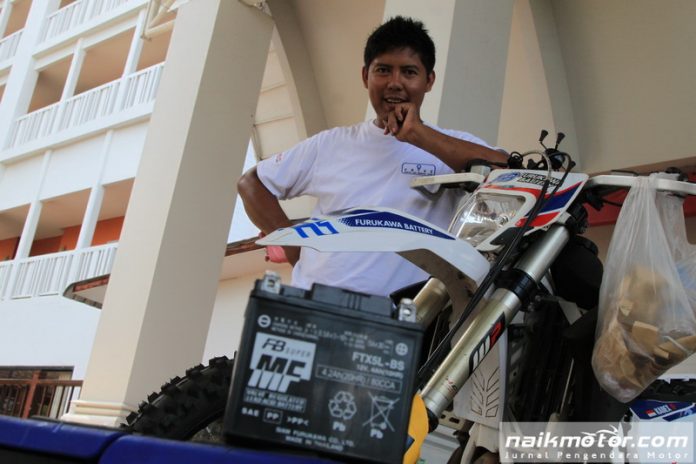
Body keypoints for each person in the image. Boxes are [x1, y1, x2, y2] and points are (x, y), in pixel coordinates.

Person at [238, 16, 507, 297]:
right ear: (365, 76)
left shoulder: (450, 144)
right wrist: (295, 249)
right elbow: (252, 183)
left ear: (429, 81)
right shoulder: (331, 144)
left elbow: (506, 172)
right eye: (383, 70)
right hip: (314, 305)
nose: (395, 83)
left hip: (406, 315)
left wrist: (420, 135)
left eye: (409, 72)